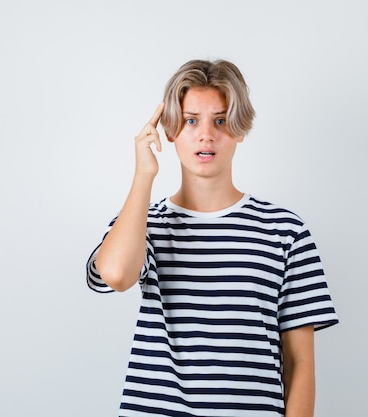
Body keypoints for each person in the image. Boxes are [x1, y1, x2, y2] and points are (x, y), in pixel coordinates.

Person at [86, 59, 338, 417]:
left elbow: (300, 362)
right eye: (191, 121)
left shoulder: (285, 231)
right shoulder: (145, 222)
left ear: (240, 129)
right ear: (170, 129)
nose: (206, 135)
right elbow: (114, 274)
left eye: (220, 121)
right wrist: (144, 174)